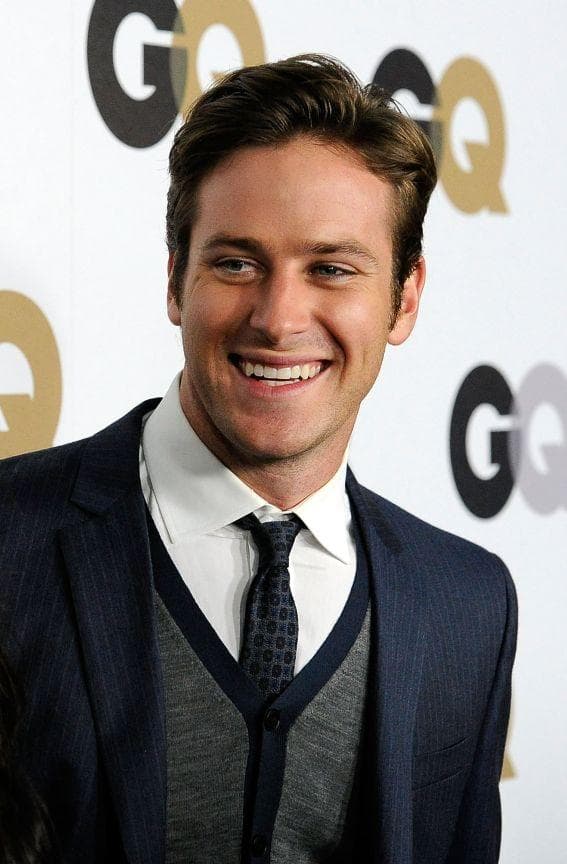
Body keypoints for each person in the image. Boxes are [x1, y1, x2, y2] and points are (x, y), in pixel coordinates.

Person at [0, 55, 516, 863]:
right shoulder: (8, 541)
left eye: (331, 269)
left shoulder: (467, 604)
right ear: (176, 280)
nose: (278, 319)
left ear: (404, 298)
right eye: (236, 263)